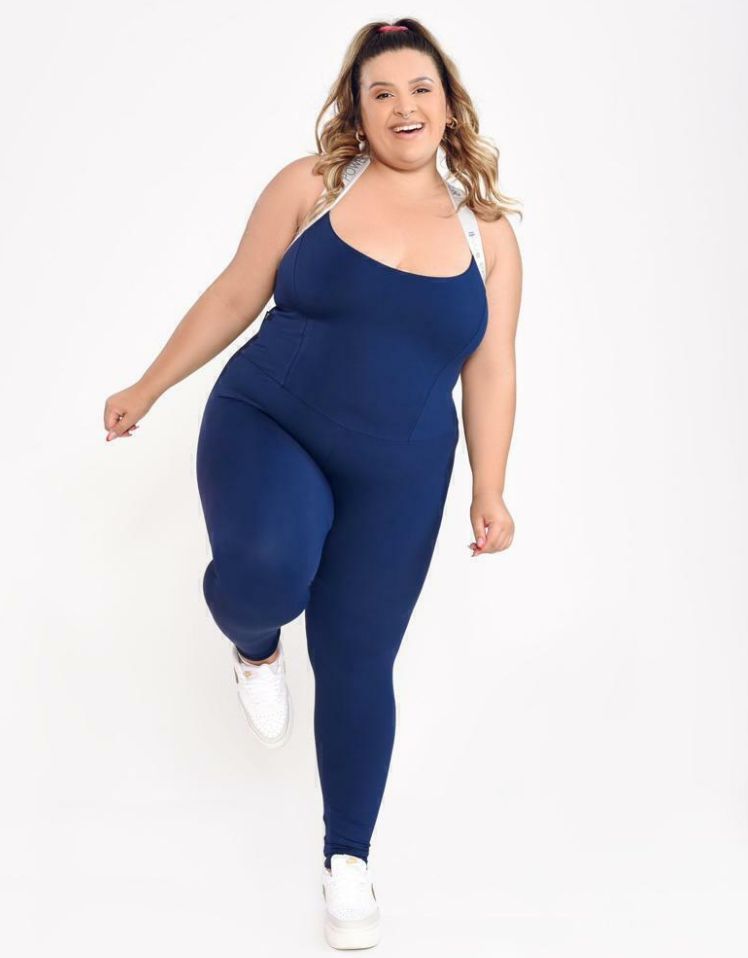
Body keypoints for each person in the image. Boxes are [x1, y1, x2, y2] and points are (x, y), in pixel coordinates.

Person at [103, 18, 522, 951]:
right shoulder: (314, 186)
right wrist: (149, 385)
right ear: (358, 110)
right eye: (382, 93)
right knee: (263, 576)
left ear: (448, 105)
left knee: (358, 662)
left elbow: (492, 367)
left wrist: (489, 489)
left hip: (400, 473)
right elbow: (235, 292)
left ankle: (349, 859)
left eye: (420, 89)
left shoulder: (486, 234)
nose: (403, 107)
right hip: (271, 421)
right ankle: (255, 649)